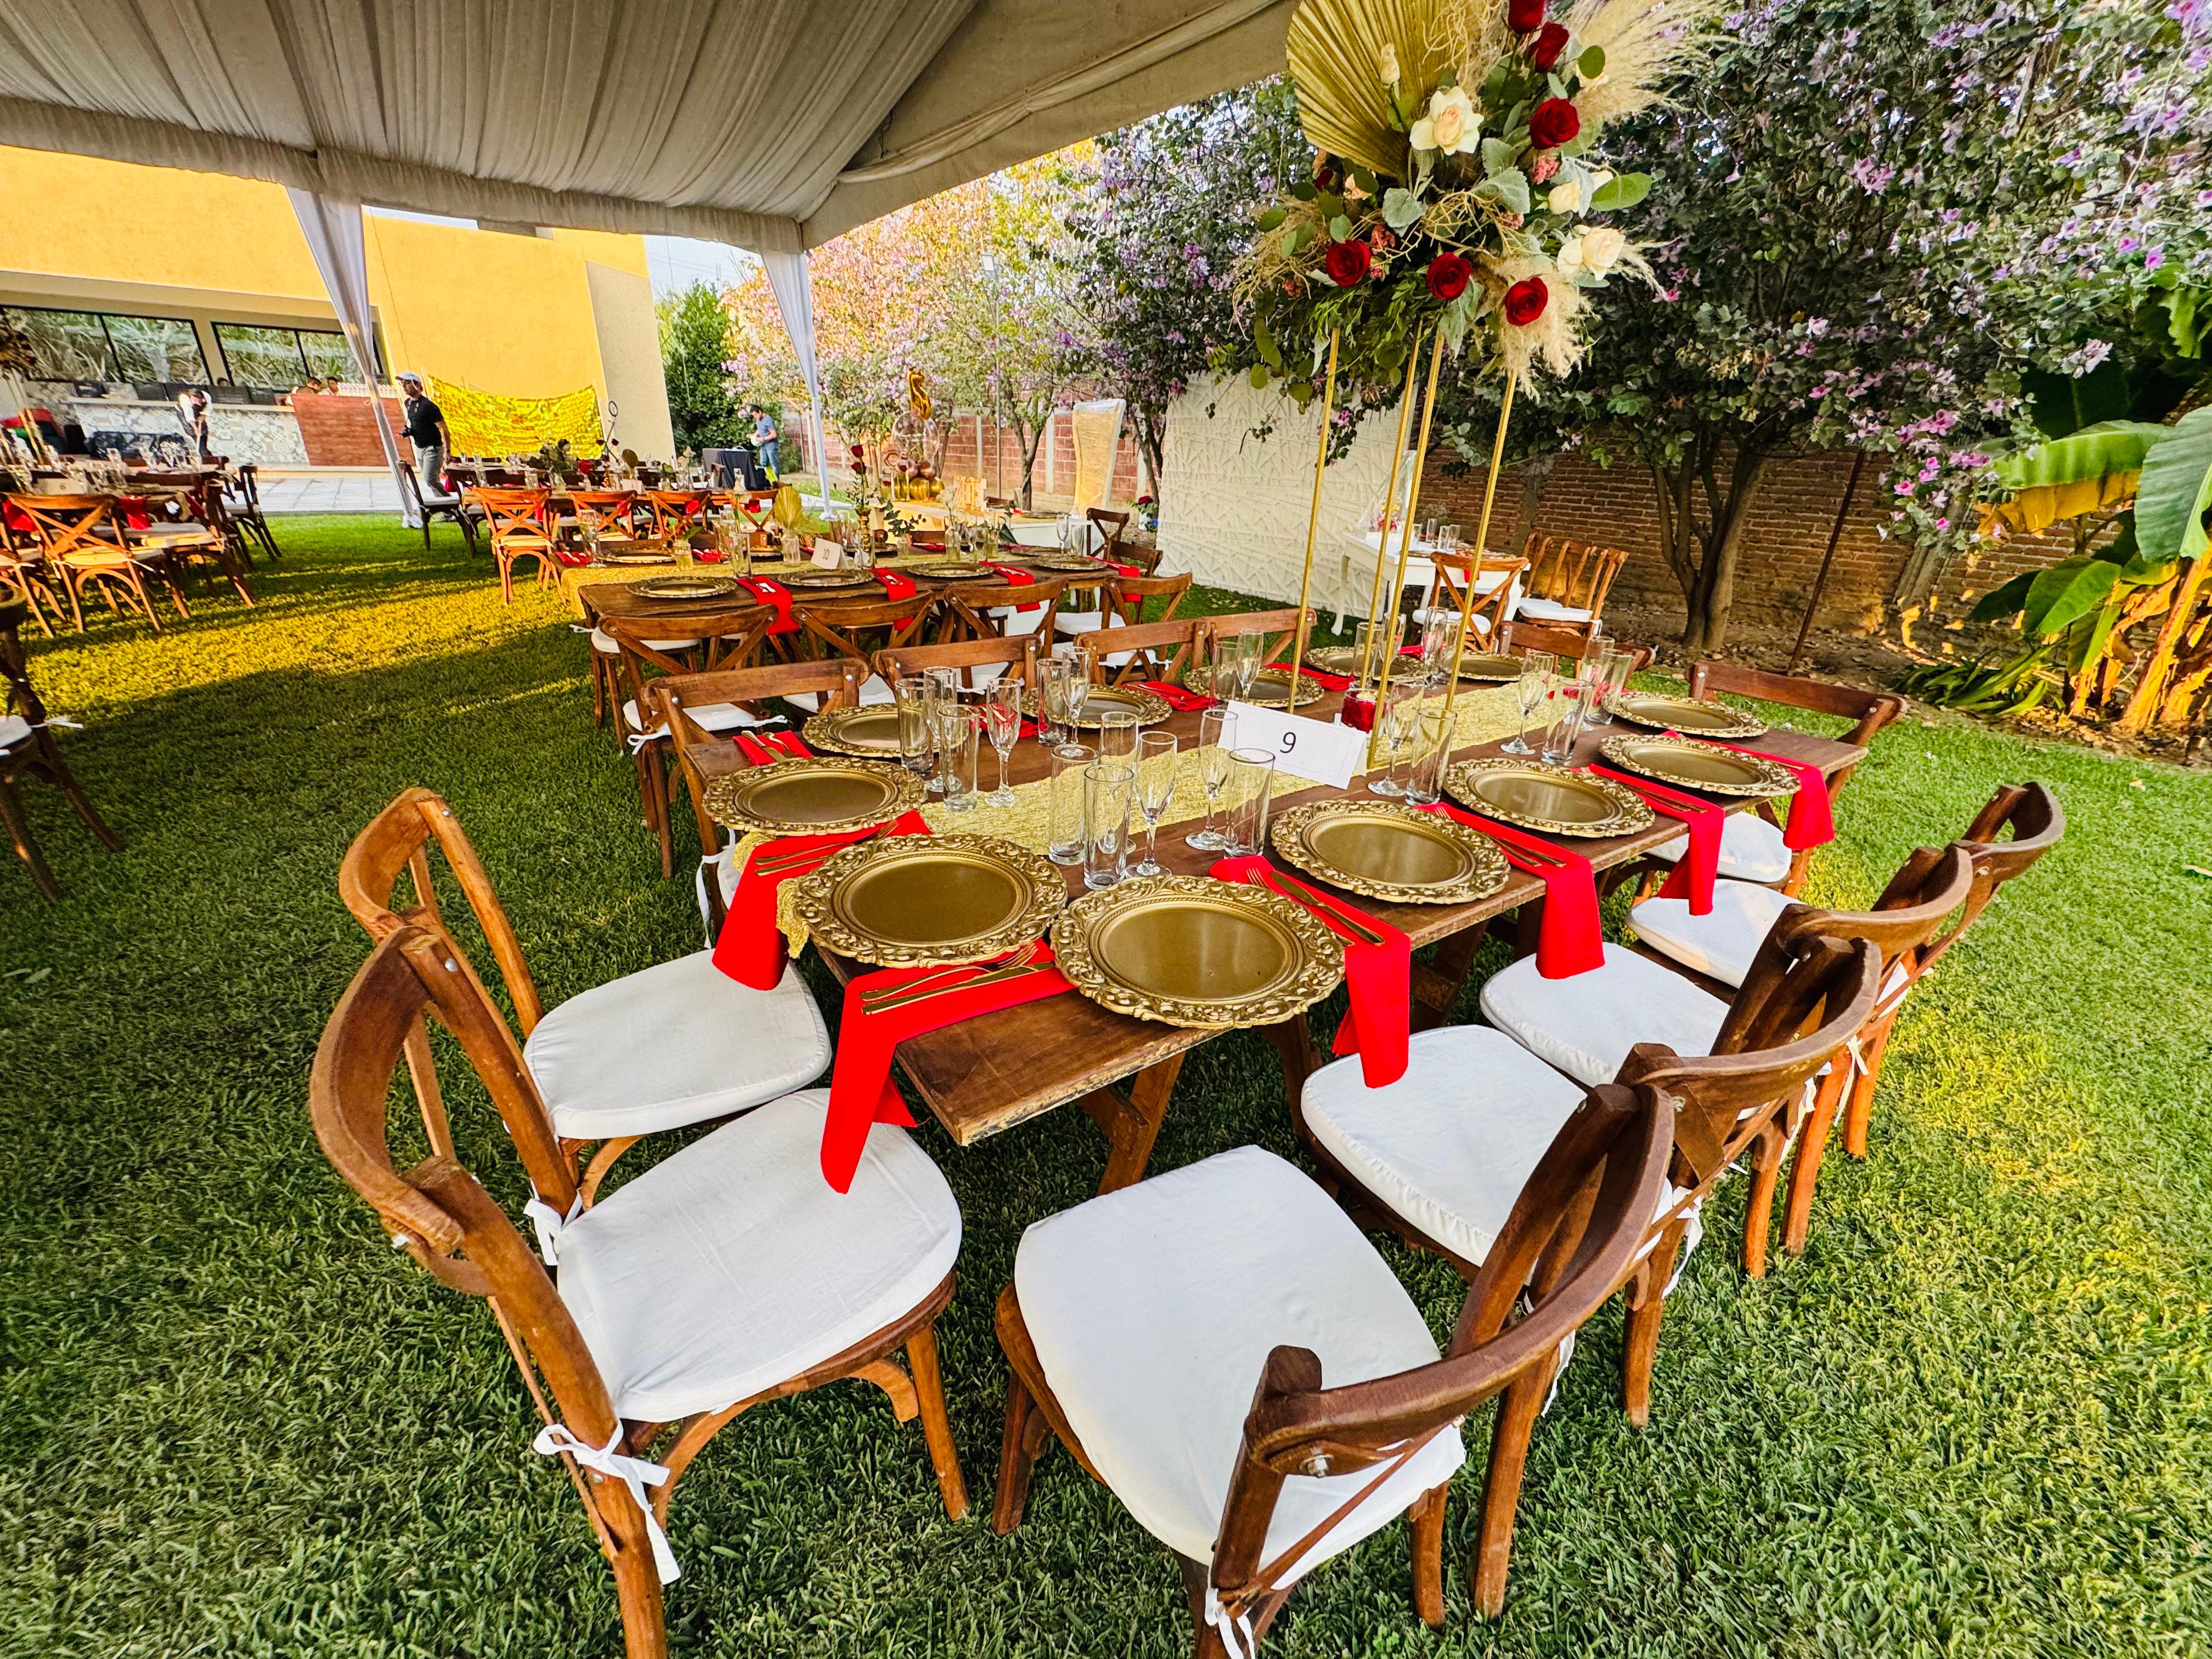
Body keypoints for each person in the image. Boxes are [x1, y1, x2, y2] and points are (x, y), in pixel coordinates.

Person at [397, 371, 452, 501]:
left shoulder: (429, 406)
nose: (404, 387)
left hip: (433, 448)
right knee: (431, 480)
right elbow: (418, 423)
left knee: (430, 479)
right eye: (403, 384)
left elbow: (443, 428)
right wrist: (409, 432)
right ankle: (445, 507)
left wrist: (447, 450)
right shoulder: (408, 403)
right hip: (419, 447)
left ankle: (450, 505)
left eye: (407, 384)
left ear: (417, 385)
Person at [174, 386, 214, 462]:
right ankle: (201, 453)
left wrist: (203, 417)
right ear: (192, 396)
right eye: (196, 399)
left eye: (200, 399)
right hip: (184, 414)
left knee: (204, 431)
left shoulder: (206, 396)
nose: (198, 401)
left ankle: (204, 451)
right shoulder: (184, 398)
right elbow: (188, 415)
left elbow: (208, 408)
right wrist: (195, 428)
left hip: (198, 413)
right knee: (194, 433)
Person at [750, 404, 780, 483]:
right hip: (763, 445)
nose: (755, 417)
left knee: (773, 464)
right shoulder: (758, 419)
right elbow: (760, 430)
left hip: (771, 445)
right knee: (763, 464)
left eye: (756, 415)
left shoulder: (768, 420)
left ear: (760, 412)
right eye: (754, 416)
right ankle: (766, 482)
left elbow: (774, 434)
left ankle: (776, 483)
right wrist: (753, 435)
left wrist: (762, 439)